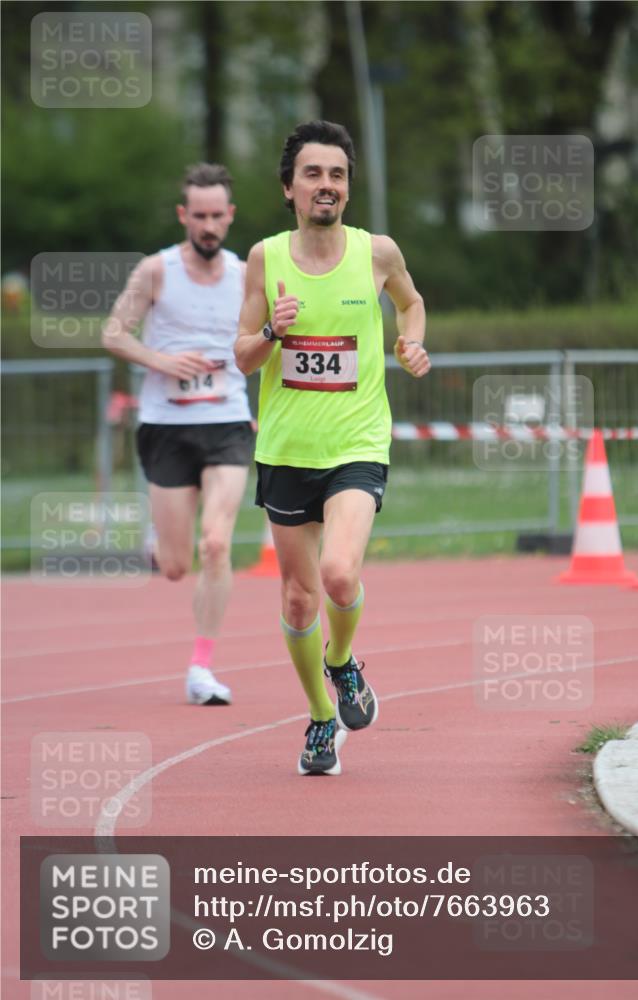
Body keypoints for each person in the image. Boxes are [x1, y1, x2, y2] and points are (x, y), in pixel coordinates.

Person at [235, 121, 430, 775]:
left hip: (357, 439)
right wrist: (270, 330)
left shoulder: (375, 252)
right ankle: (321, 717)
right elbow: (241, 358)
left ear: (349, 187)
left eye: (338, 174)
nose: (327, 185)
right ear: (288, 187)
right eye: (314, 174)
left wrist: (411, 341)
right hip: (287, 449)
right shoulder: (264, 258)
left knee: (339, 574)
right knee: (297, 599)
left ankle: (342, 663)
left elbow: (411, 303)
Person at [103, 163, 253, 706]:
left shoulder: (245, 274)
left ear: (230, 216)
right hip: (167, 426)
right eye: (200, 216)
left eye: (218, 216)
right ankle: (159, 535)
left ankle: (201, 668)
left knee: (216, 543)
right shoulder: (157, 271)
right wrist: (162, 360)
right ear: (183, 215)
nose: (209, 225)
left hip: (227, 423)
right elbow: (113, 333)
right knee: (175, 566)